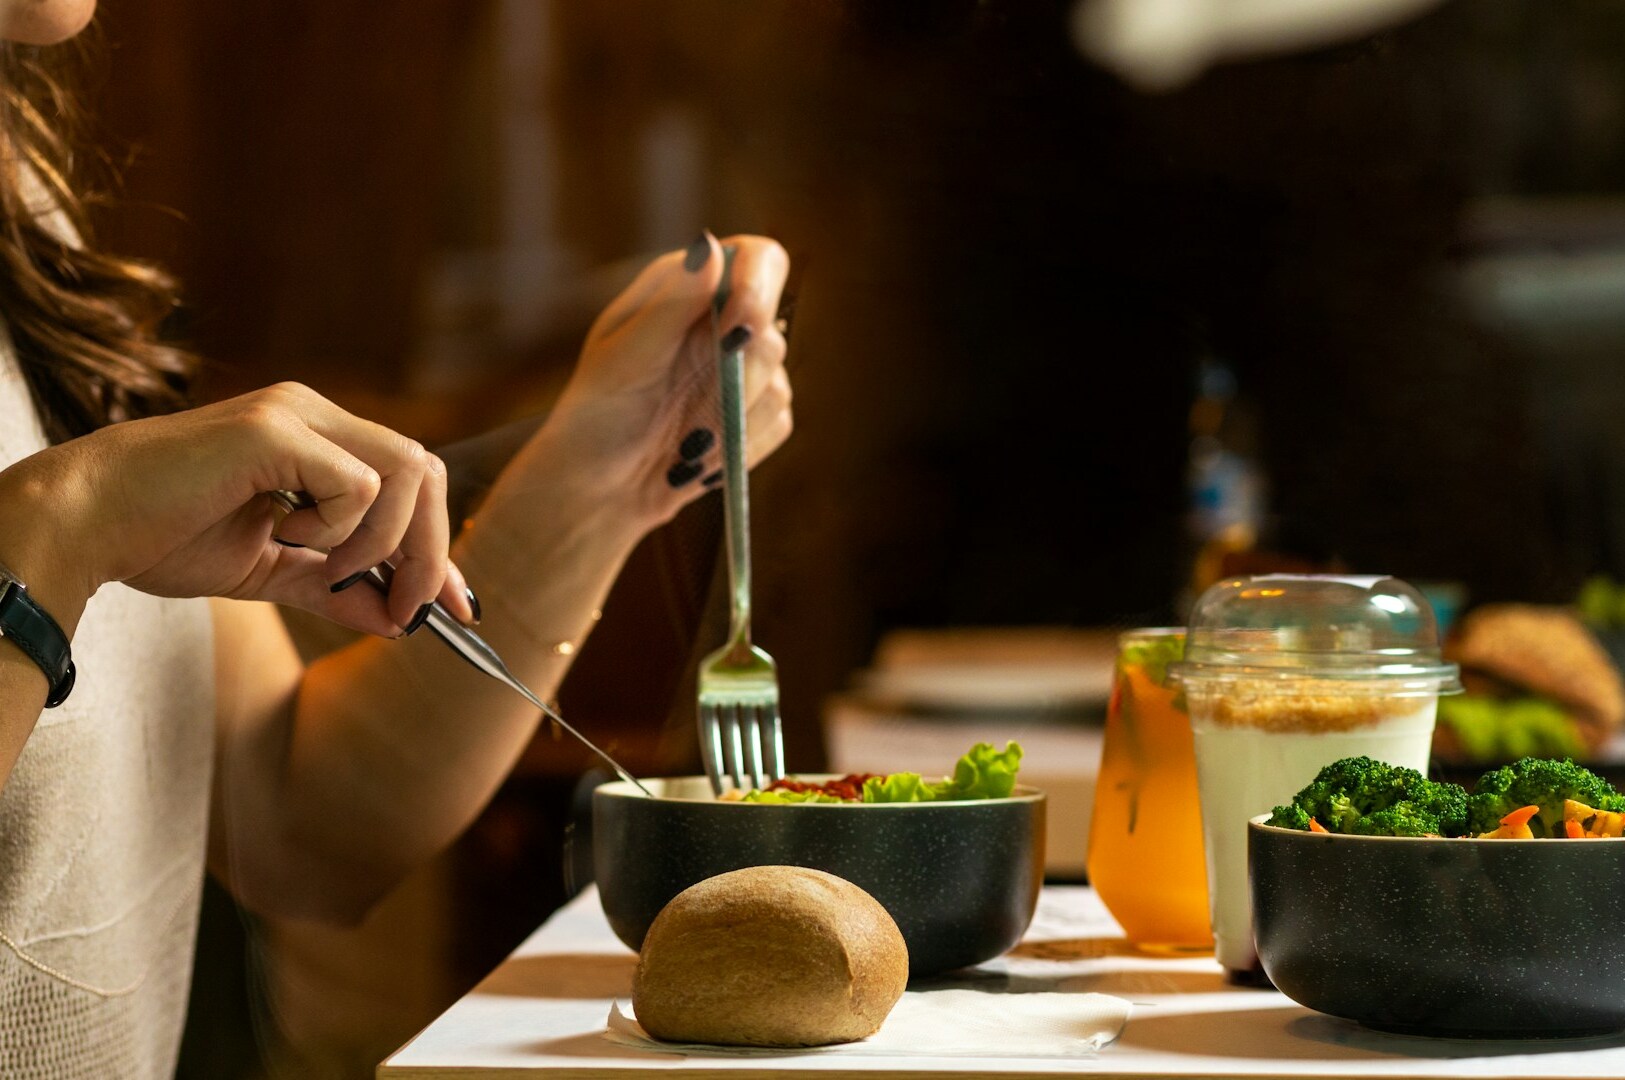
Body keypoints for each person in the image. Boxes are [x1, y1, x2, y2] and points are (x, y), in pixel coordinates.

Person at [0, 2, 793, 1075]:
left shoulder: (28, 222)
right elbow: (53, 538)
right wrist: (57, 529)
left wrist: (607, 472)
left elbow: (298, 815)